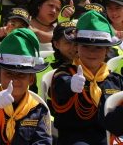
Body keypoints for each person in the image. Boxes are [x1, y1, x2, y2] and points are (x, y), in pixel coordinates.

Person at [0, 28, 52, 145]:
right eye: (8, 73)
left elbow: (43, 141)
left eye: (21, 74)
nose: (15, 79)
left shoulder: (37, 109)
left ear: (31, 79)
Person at [51, 10, 123, 145]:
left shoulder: (115, 79)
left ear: (107, 50)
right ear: (76, 47)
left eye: (98, 47)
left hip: (107, 136)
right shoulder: (65, 73)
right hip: (74, 137)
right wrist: (70, 85)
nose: (91, 52)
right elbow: (59, 88)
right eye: (85, 46)